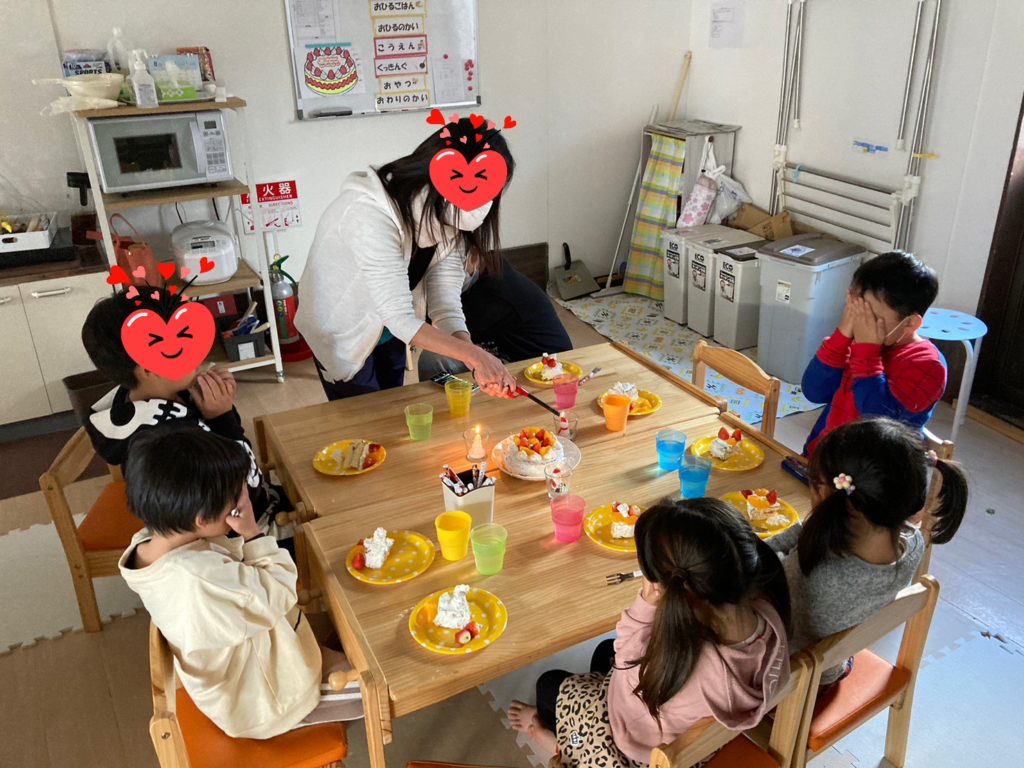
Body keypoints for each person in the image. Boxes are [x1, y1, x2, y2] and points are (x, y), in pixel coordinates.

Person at [119, 427, 362, 739]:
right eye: (236, 496)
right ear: (202, 519)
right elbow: (282, 590)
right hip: (266, 703)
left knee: (348, 637)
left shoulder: (148, 543)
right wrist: (251, 533)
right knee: (375, 685)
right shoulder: (199, 578)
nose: (243, 497)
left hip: (241, 676)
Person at [509, 499, 791, 766]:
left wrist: (647, 601)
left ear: (686, 592)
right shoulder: (767, 613)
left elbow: (626, 659)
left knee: (549, 684)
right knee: (603, 651)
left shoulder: (680, 663)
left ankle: (563, 745)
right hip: (696, 736)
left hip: (638, 748)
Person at [296, 116, 522, 400]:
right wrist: (476, 356)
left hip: (392, 329)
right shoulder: (368, 213)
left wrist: (470, 355)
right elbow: (398, 316)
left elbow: (444, 305)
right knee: (361, 412)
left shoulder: (451, 221)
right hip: (343, 327)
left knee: (392, 403)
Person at [768, 418, 968, 685]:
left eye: (815, 484)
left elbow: (761, 577)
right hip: (835, 663)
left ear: (844, 501)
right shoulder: (912, 544)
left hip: (792, 682)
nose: (811, 493)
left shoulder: (817, 574)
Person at [81, 289, 290, 535]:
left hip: (258, 505)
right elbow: (240, 488)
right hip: (244, 534)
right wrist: (222, 418)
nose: (198, 354)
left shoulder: (139, 395)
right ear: (148, 369)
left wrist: (219, 411)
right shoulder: (166, 442)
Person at [800, 251, 947, 456]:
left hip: (873, 468)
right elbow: (814, 392)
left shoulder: (928, 365)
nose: (860, 320)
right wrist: (841, 336)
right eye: (856, 308)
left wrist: (867, 354)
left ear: (910, 323)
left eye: (871, 316)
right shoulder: (857, 341)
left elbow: (878, 428)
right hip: (824, 458)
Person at [416, 253, 573, 382]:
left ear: (474, 255)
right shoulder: (490, 266)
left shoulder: (493, 293)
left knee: (433, 359)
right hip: (510, 350)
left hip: (544, 366)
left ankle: (442, 405)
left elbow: (443, 330)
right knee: (437, 356)